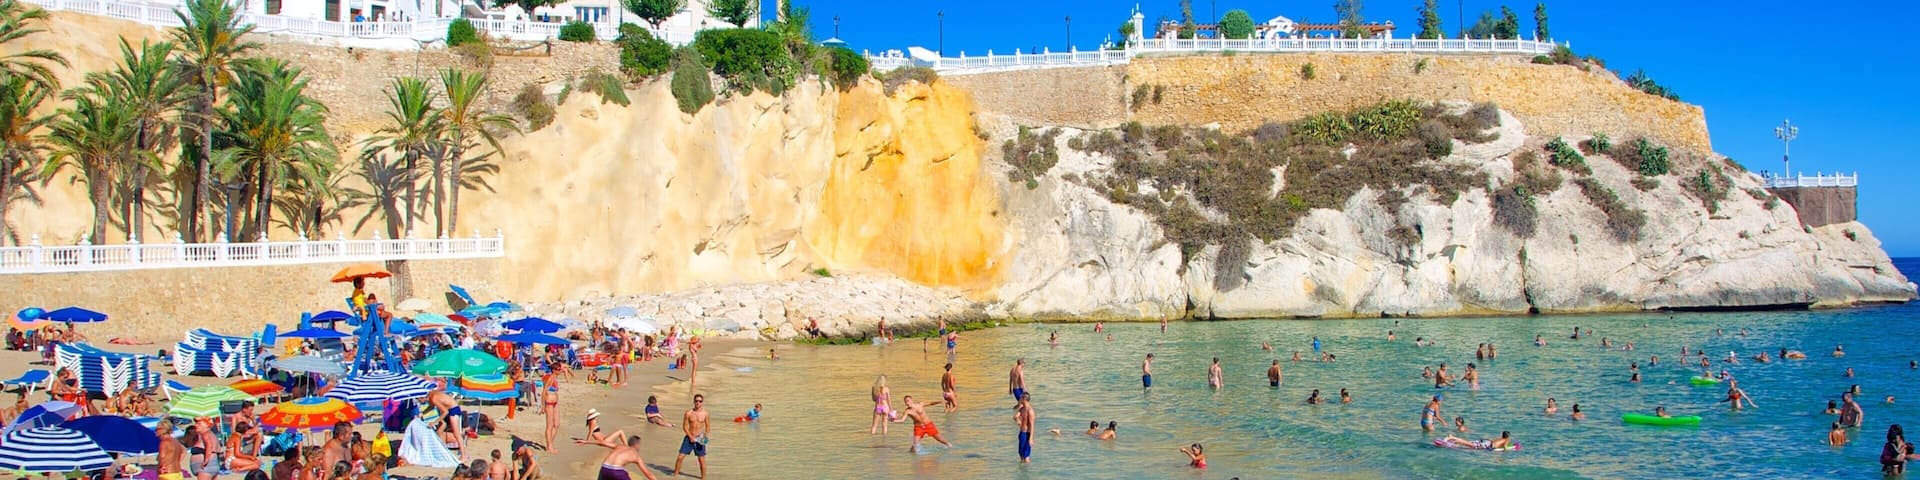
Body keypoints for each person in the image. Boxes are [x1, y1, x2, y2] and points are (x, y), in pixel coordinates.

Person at [576, 434, 659, 480]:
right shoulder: (636, 455)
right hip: (616, 471)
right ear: (637, 445)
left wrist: (586, 441)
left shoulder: (619, 446)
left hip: (604, 467)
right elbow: (648, 474)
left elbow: (602, 442)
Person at [673, 393, 710, 478]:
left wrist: (705, 436)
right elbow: (684, 426)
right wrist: (690, 436)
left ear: (702, 402)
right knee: (680, 457)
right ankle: (675, 476)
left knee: (701, 460)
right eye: (696, 401)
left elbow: (708, 426)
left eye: (700, 401)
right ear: (694, 401)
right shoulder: (688, 413)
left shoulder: (705, 414)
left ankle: (703, 478)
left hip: (700, 439)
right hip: (689, 438)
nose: (698, 403)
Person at [429, 381, 466, 457]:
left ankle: (463, 455)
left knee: (456, 434)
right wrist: (422, 413)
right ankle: (442, 450)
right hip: (449, 410)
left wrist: (434, 422)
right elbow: (431, 407)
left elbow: (445, 412)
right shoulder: (433, 395)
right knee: (440, 430)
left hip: (453, 410)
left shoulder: (433, 398)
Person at [1014, 392, 1036, 463]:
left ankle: (1028, 469)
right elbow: (1015, 417)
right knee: (1021, 455)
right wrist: (1017, 420)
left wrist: (1031, 438)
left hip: (1027, 434)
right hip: (1022, 433)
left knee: (1026, 456)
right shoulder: (1022, 409)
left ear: (1024, 399)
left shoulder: (1030, 411)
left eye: (1021, 398)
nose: (1019, 399)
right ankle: (1022, 469)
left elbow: (1032, 425)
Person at [543, 382, 561, 451]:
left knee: (557, 424)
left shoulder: (554, 378)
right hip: (549, 401)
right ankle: (550, 446)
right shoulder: (549, 377)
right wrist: (543, 406)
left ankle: (549, 444)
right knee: (549, 426)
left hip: (555, 401)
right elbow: (544, 392)